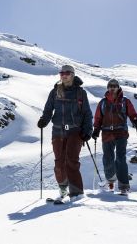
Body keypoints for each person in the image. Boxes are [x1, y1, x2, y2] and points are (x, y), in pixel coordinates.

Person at [37, 65, 93, 202]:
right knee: (59, 163)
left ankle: (77, 193)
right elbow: (48, 109)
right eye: (61, 73)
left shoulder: (80, 93)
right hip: (57, 131)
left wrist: (87, 131)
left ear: (72, 75)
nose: (64, 75)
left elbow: (87, 113)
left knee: (71, 161)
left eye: (67, 73)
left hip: (75, 131)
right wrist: (44, 120)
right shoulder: (55, 91)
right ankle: (63, 190)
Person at [92, 79, 137, 195]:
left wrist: (135, 120)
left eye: (114, 86)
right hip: (106, 133)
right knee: (108, 159)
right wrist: (96, 130)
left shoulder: (125, 101)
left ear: (118, 87)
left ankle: (124, 186)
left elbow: (132, 113)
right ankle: (110, 182)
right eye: (110, 86)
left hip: (121, 133)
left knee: (120, 159)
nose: (112, 88)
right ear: (108, 88)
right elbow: (98, 118)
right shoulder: (103, 102)